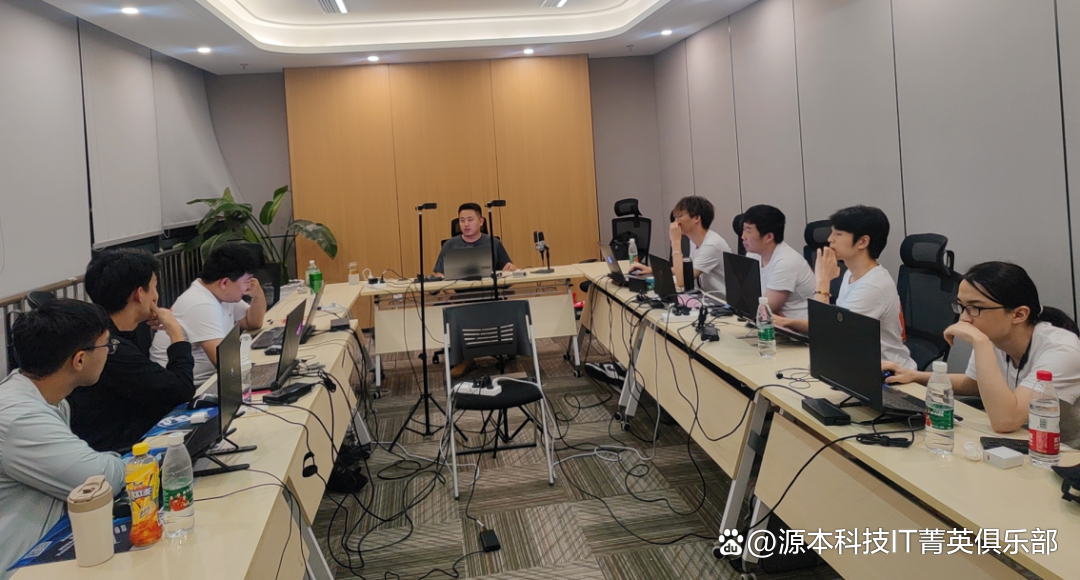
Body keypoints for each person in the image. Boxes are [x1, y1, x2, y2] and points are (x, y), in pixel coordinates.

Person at [883, 262, 1080, 446]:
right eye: (961, 306)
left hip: (1061, 452)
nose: (963, 318)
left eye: (975, 308)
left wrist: (981, 343)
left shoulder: (1062, 350)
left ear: (1019, 314)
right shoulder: (995, 336)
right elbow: (973, 384)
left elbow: (1006, 420)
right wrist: (915, 376)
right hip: (1018, 442)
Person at [0, 300, 126, 578]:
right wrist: (120, 460)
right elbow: (101, 480)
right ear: (79, 360)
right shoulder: (20, 419)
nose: (109, 353)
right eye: (107, 346)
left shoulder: (46, 398)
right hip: (20, 565)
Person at [68, 249, 196, 452]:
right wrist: (176, 332)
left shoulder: (106, 332)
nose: (156, 296)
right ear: (139, 294)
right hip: (122, 451)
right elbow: (181, 391)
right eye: (154, 287)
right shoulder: (110, 349)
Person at [774, 205, 916, 369]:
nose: (830, 239)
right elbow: (830, 325)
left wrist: (822, 281)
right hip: (855, 363)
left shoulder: (872, 286)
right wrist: (787, 322)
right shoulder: (851, 274)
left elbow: (827, 337)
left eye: (838, 234)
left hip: (886, 373)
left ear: (863, 241)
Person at [150, 244, 265, 385]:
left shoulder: (221, 294)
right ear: (225, 282)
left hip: (207, 379)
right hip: (189, 387)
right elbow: (224, 363)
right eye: (247, 281)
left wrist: (258, 296)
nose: (249, 287)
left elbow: (252, 323)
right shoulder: (201, 304)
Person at [629, 196, 731, 297]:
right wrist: (652, 270)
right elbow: (686, 271)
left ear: (696, 218)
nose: (675, 222)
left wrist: (675, 241)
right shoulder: (694, 241)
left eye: (679, 216)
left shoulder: (712, 245)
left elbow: (682, 280)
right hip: (707, 298)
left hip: (723, 302)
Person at [741, 204, 815, 319]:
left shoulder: (786, 262)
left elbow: (764, 311)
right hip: (771, 323)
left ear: (769, 237)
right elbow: (745, 297)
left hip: (796, 327)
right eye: (744, 229)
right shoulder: (753, 254)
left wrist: (765, 309)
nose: (743, 236)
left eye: (749, 231)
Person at [434, 203, 517, 276]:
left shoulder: (494, 243)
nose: (466, 224)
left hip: (489, 288)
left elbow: (507, 272)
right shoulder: (449, 245)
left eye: (470, 220)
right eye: (462, 220)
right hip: (459, 289)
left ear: (481, 221)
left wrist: (511, 269)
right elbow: (440, 274)